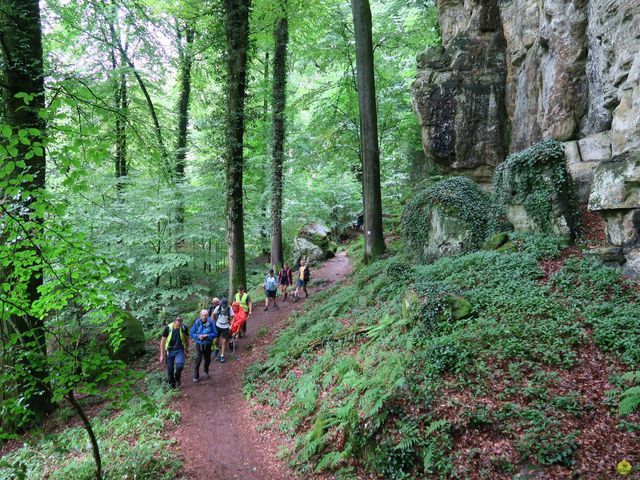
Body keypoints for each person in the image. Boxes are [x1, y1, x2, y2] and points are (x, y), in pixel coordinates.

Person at [160, 316, 190, 388]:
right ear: (174, 322)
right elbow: (162, 342)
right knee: (170, 369)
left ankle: (177, 378)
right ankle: (172, 385)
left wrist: (186, 349)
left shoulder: (184, 328)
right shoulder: (168, 328)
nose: (178, 326)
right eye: (177, 325)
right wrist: (162, 355)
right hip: (170, 351)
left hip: (179, 350)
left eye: (180, 324)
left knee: (179, 366)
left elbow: (186, 339)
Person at [190, 309, 217, 383]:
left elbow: (215, 333)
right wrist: (198, 336)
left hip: (208, 344)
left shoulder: (211, 322)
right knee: (198, 360)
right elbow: (191, 333)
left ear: (208, 315)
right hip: (199, 344)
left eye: (206, 315)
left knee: (207, 359)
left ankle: (206, 370)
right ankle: (196, 375)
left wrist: (207, 336)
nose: (204, 317)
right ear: (200, 315)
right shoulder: (197, 322)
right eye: (203, 315)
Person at [212, 297, 234, 363]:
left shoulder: (229, 308)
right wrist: (214, 322)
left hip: (226, 326)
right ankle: (217, 348)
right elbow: (214, 314)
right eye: (222, 305)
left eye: (224, 305)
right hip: (218, 325)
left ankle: (222, 355)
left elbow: (233, 317)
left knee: (224, 341)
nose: (223, 306)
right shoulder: (218, 307)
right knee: (216, 340)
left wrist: (231, 325)